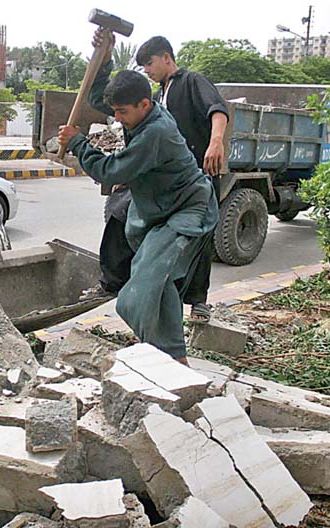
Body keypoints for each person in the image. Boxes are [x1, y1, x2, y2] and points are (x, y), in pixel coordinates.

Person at [57, 61, 218, 364]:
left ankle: (159, 355)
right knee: (161, 284)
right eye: (115, 112)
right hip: (160, 209)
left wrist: (79, 143)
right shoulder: (141, 115)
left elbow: (110, 171)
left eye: (122, 113)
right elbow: (98, 100)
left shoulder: (155, 132)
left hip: (187, 209)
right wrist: (105, 58)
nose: (117, 119)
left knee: (137, 294)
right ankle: (174, 356)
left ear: (145, 104)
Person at [87, 32, 229, 324]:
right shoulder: (152, 98)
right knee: (119, 211)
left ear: (167, 57)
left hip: (194, 178)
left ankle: (198, 302)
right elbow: (104, 96)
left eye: (149, 63)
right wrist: (104, 57)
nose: (147, 70)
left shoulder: (191, 82)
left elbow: (217, 108)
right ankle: (112, 282)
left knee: (197, 239)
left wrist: (216, 142)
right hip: (155, 178)